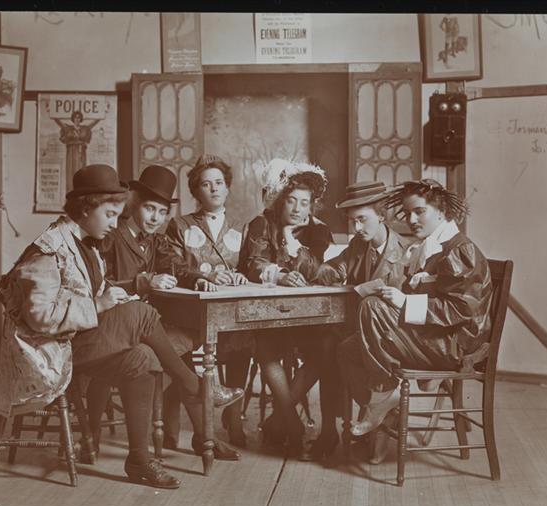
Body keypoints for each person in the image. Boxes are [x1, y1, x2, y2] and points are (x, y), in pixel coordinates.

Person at [0, 164, 243, 490]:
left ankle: (138, 459)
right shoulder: (49, 249)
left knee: (143, 358)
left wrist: (110, 297)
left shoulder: (84, 241)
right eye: (110, 214)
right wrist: (99, 304)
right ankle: (195, 386)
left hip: (75, 341)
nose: (114, 223)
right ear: (86, 209)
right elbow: (39, 317)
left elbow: (86, 290)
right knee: (141, 313)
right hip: (48, 353)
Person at [93, 164, 242, 461]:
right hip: (111, 326)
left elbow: (178, 267)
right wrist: (143, 281)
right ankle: (203, 416)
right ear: (134, 204)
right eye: (149, 209)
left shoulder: (155, 241)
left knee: (182, 344)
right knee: (174, 354)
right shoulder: (112, 236)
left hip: (146, 328)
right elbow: (97, 284)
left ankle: (204, 436)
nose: (155, 218)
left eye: (162, 213)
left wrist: (200, 278)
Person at [336, 179, 492, 438]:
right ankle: (381, 407)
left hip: (455, 345)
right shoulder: (431, 247)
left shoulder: (460, 249)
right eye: (408, 213)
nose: (411, 220)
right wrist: (397, 296)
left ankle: (382, 397)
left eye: (419, 211)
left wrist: (405, 301)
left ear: (441, 211)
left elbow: (461, 310)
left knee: (371, 307)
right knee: (347, 350)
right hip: (436, 335)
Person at [302, 181, 407, 462]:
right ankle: (380, 413)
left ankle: (377, 414)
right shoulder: (359, 244)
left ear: (382, 215)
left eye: (362, 219)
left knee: (337, 347)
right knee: (326, 346)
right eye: (353, 221)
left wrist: (358, 290)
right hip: (362, 330)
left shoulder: (404, 252)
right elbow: (336, 267)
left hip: (391, 335)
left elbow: (395, 306)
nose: (357, 227)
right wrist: (325, 269)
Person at [239, 159, 333, 456]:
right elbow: (254, 264)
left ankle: (280, 419)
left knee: (325, 348)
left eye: (304, 203)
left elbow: (316, 270)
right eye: (291, 201)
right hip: (269, 313)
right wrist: (279, 275)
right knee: (265, 347)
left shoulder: (319, 231)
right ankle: (293, 424)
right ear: (280, 201)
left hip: (307, 315)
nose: (297, 209)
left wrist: (292, 241)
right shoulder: (262, 224)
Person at [165, 154, 254, 449]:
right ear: (196, 191)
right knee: (183, 349)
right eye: (206, 184)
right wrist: (201, 277)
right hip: (190, 313)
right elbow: (173, 265)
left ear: (227, 187)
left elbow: (250, 266)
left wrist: (240, 276)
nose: (214, 189)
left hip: (230, 312)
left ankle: (234, 417)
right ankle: (202, 426)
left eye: (219, 183)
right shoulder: (180, 225)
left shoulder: (243, 227)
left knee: (242, 343)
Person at [53, 110, 102, 195]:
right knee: (71, 172)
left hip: (81, 153)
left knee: (82, 171)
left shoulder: (85, 129)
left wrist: (101, 116)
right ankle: (70, 194)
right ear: (73, 119)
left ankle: (81, 194)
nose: (77, 119)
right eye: (75, 117)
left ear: (81, 119)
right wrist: (52, 114)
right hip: (71, 153)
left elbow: (93, 124)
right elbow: (59, 123)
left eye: (79, 117)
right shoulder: (68, 128)